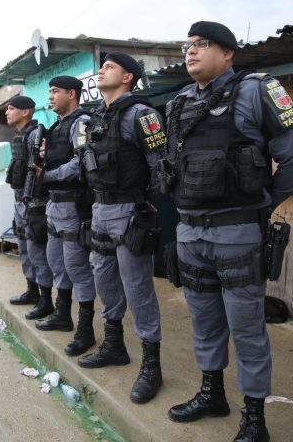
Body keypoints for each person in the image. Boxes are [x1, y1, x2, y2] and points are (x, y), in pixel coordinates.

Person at [162, 21, 293, 442]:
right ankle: (212, 395)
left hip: (236, 233)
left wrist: (260, 208)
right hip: (190, 234)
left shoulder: (258, 90)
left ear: (228, 53)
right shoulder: (180, 102)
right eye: (186, 45)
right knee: (204, 321)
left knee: (246, 326)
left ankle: (254, 417)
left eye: (201, 44)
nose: (190, 52)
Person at [79, 52, 168, 405]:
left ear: (128, 77)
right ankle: (114, 345)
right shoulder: (96, 116)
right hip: (100, 209)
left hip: (130, 211)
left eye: (110, 67)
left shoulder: (142, 115)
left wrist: (144, 208)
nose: (101, 71)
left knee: (138, 288)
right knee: (105, 280)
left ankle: (151, 365)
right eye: (101, 67)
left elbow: (161, 169)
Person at [32, 76, 97, 357]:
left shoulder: (82, 122)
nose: (51, 96)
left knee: (77, 268)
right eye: (50, 92)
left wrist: (47, 176)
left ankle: (86, 329)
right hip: (54, 205)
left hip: (73, 205)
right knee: (56, 262)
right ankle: (62, 314)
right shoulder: (56, 126)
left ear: (72, 94)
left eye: (56, 91)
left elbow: (79, 162)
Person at [5, 96, 54, 320]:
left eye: (11, 108)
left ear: (26, 112)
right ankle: (32, 291)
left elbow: (41, 170)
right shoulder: (20, 136)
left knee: (36, 250)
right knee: (24, 247)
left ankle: (46, 300)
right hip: (19, 201)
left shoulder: (36, 135)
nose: (7, 112)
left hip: (33, 203)